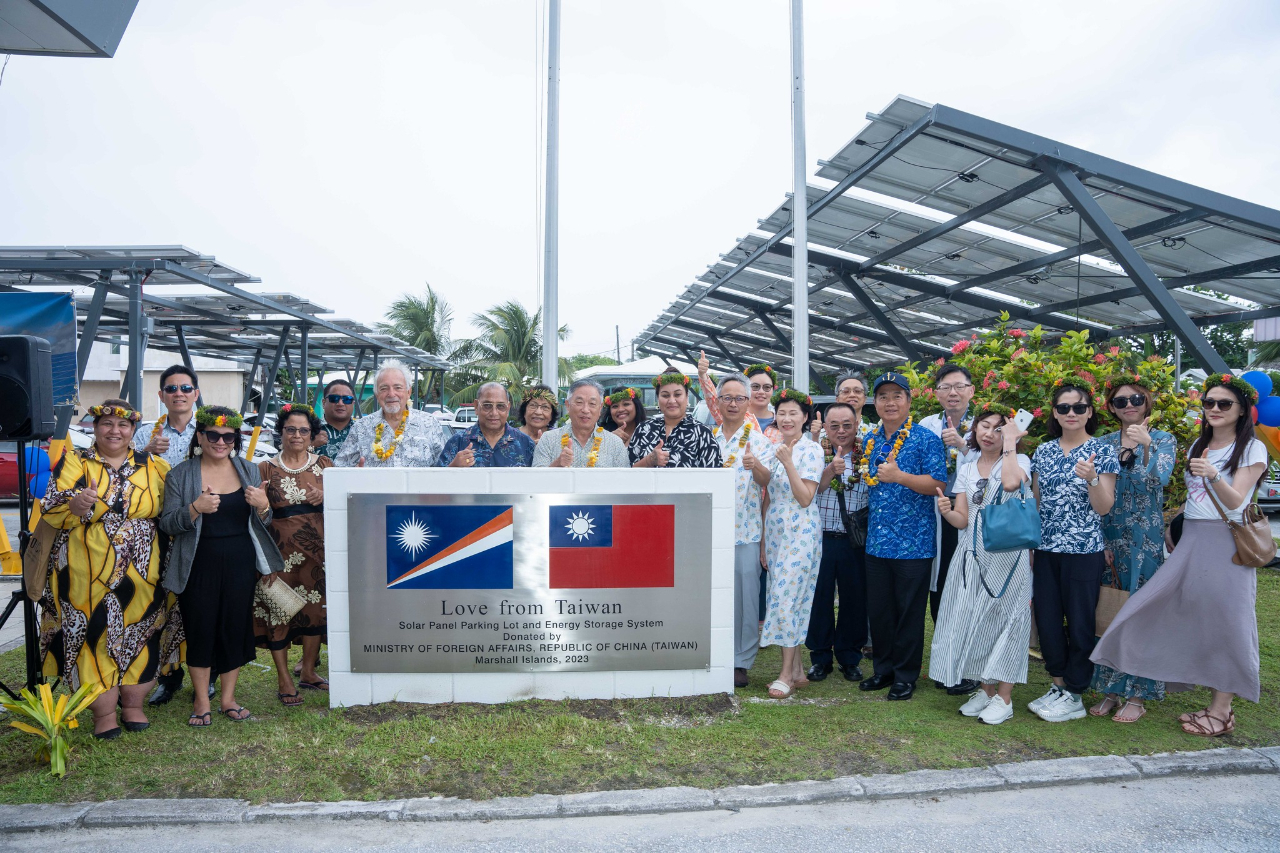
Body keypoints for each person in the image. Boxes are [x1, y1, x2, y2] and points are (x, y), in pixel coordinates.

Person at [1092, 373, 1268, 737]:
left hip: (1228, 544)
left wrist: (1213, 474)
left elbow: (1237, 500)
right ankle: (1121, 682)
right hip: (1192, 540)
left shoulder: (1251, 448)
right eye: (1209, 403)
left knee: (1230, 623)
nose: (1214, 409)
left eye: (1224, 404)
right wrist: (1177, 528)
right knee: (1154, 608)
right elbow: (1194, 499)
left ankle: (1221, 711)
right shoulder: (1198, 446)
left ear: (1242, 410)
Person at [38, 400, 169, 738]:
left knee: (140, 632)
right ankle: (104, 714)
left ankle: (134, 705)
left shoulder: (153, 465)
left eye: (122, 425)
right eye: (107, 423)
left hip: (143, 568)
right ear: (95, 428)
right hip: (85, 570)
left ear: (132, 430)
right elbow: (51, 507)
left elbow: (171, 511)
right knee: (93, 636)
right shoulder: (75, 462)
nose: (115, 430)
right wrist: (76, 504)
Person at [160, 406, 286, 727]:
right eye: (213, 435)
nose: (220, 441)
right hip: (198, 563)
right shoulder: (180, 474)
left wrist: (264, 506)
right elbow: (168, 524)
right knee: (200, 628)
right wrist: (194, 508)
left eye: (228, 436)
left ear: (235, 439)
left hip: (240, 563)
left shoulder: (249, 470)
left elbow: (263, 520)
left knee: (234, 627)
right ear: (200, 436)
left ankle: (228, 698)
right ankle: (202, 699)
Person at [929, 408, 1033, 725]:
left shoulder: (1019, 461)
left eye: (999, 429)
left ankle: (1004, 697)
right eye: (983, 426)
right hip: (972, 555)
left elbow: (1013, 484)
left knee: (1009, 623)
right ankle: (987, 691)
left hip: (1008, 556)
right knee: (978, 621)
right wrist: (946, 511)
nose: (989, 433)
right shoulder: (968, 468)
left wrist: (1012, 444)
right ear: (975, 430)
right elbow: (962, 519)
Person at [1027, 383, 1119, 723]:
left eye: (1078, 408)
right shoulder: (1044, 451)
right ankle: (1057, 684)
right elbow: (1036, 503)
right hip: (1047, 549)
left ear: (1089, 412)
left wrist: (1093, 478)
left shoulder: (1102, 451)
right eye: (1063, 408)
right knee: (1049, 619)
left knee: (1080, 622)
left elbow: (1104, 506)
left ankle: (1076, 692)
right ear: (1054, 413)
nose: (1071, 414)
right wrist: (1033, 544)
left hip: (1083, 550)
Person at [1088, 379, 1176, 723]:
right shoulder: (1106, 442)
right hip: (1110, 535)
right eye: (1120, 400)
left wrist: (1148, 446)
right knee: (1110, 612)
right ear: (1111, 407)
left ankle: (1138, 694)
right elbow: (1094, 492)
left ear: (1146, 402)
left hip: (1145, 542)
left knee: (1140, 614)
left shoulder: (1163, 438)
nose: (1129, 404)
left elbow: (1162, 479)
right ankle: (1111, 688)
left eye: (1136, 398)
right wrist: (1102, 540)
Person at [858, 372, 947, 701]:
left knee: (909, 612)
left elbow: (938, 483)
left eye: (897, 395)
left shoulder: (925, 439)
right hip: (877, 542)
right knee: (879, 611)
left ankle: (905, 676)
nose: (889, 402)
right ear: (876, 403)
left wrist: (901, 476)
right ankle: (883, 670)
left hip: (914, 543)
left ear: (909, 401)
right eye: (883, 396)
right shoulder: (871, 441)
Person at [255, 403, 331, 706]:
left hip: (318, 554)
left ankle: (309, 671)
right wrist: (261, 504)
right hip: (278, 554)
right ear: (281, 432)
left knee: (316, 613)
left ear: (312, 435)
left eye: (303, 430)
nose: (297, 435)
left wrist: (327, 494)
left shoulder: (326, 465)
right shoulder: (265, 467)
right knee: (280, 612)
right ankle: (284, 680)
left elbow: (342, 504)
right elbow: (257, 515)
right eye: (291, 429)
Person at [134, 365, 200, 707]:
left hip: (199, 526)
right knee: (161, 605)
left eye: (185, 388)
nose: (179, 394)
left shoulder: (209, 431)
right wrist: (145, 452)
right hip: (154, 532)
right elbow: (121, 473)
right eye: (171, 389)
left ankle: (208, 675)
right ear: (161, 395)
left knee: (200, 604)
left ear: (196, 394)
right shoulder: (144, 433)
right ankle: (168, 677)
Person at [709, 373, 775, 688]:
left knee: (747, 598)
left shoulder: (759, 440)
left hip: (746, 530)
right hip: (710, 530)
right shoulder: (707, 437)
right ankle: (715, 653)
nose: (733, 403)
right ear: (717, 402)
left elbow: (768, 484)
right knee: (714, 595)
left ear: (748, 402)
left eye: (739, 398)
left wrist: (755, 466)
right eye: (727, 398)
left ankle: (741, 661)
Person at [919, 364, 980, 695]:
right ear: (937, 393)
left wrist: (963, 445)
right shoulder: (927, 425)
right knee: (940, 588)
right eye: (945, 387)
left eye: (959, 386)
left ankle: (968, 667)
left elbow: (996, 464)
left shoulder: (984, 424)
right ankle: (945, 664)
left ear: (971, 391)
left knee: (968, 589)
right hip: (937, 512)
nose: (952, 393)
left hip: (971, 516)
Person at [760, 389, 823, 699]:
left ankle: (785, 674)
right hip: (775, 530)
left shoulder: (811, 450)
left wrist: (788, 463)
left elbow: (805, 497)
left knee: (787, 600)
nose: (786, 418)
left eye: (793, 413)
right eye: (781, 413)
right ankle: (797, 670)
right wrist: (762, 541)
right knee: (783, 596)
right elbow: (769, 495)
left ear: (805, 418)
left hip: (801, 531)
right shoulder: (773, 448)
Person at [804, 398, 870, 684]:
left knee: (854, 599)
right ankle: (819, 657)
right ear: (825, 426)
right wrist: (830, 469)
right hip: (820, 537)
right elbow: (805, 491)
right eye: (834, 426)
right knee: (819, 598)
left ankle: (849, 656)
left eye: (847, 425)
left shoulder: (868, 452)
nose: (841, 431)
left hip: (854, 539)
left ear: (857, 425)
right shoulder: (812, 452)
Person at [333, 361, 447, 468]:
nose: (391, 394)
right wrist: (353, 474)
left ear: (408, 392)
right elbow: (338, 468)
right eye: (384, 388)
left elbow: (445, 468)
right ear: (377, 394)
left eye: (398, 387)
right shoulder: (360, 428)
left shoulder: (430, 424)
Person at [629, 372, 723, 468]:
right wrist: (649, 461)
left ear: (687, 397)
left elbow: (713, 477)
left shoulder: (703, 433)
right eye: (665, 395)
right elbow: (627, 474)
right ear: (658, 398)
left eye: (677, 394)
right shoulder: (643, 429)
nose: (672, 401)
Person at [533, 379, 630, 467]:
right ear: (568, 405)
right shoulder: (548, 440)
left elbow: (625, 482)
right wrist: (557, 464)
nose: (585, 410)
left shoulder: (615, 443)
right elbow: (537, 481)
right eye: (579, 402)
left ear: (600, 408)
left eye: (592, 404)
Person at [438, 383, 535, 467]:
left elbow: (538, 482)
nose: (494, 413)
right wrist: (453, 467)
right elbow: (436, 483)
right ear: (476, 406)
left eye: (500, 406)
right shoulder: (458, 442)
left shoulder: (525, 444)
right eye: (487, 406)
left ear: (508, 408)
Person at [697, 353, 782, 443]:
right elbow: (713, 400)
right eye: (755, 387)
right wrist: (703, 375)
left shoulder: (783, 419)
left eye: (767, 387)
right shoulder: (734, 415)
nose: (761, 392)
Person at [314, 379, 357, 460]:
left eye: (347, 399)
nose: (340, 403)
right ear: (323, 403)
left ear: (353, 404)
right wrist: (309, 445)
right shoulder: (309, 431)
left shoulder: (364, 431)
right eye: (334, 398)